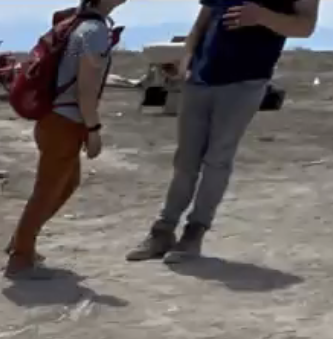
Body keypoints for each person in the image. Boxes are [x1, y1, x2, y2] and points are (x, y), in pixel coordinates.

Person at [127, 0, 320, 264]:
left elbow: (305, 26)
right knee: (185, 159)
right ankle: (162, 231)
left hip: (245, 81)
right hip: (201, 78)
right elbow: (203, 19)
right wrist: (188, 57)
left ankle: (194, 233)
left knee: (217, 159)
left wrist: (262, 16)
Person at [5, 0, 126, 278]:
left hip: (54, 119)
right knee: (48, 190)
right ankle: (21, 256)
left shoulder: (76, 23)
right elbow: (86, 88)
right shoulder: (94, 31)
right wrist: (93, 130)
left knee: (66, 183)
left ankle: (21, 241)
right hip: (65, 122)